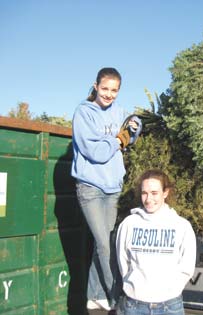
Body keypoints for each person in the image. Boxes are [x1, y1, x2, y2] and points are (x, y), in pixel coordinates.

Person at [71, 67, 139, 311]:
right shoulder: (84, 113)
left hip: (112, 188)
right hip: (90, 188)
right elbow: (96, 153)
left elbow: (133, 129)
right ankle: (117, 297)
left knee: (105, 242)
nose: (109, 94)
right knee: (104, 245)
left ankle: (96, 296)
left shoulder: (120, 112)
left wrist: (134, 126)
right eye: (105, 88)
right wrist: (119, 140)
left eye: (114, 90)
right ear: (96, 86)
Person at [115, 169, 196, 315]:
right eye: (144, 193)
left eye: (154, 193)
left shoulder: (181, 226)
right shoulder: (129, 224)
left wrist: (171, 290)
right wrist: (135, 286)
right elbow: (122, 261)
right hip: (133, 306)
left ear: (165, 193)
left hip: (170, 307)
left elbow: (187, 266)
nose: (148, 199)